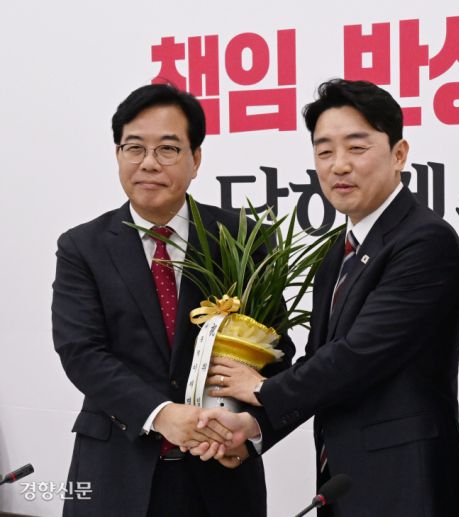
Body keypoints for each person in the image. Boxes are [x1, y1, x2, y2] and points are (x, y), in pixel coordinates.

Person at [190, 78, 459, 517]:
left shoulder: (425, 240)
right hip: (343, 484)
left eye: (356, 148)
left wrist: (261, 388)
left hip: (407, 484)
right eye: (324, 151)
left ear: (399, 154)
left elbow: (357, 356)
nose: (339, 165)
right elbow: (319, 361)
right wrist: (253, 430)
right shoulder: (338, 252)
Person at [51, 84, 292, 517]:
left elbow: (276, 353)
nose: (148, 163)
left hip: (220, 473)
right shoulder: (82, 247)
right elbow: (81, 352)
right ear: (118, 154)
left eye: (167, 149)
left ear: (195, 159)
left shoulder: (243, 239)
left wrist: (250, 433)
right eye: (134, 148)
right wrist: (161, 414)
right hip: (116, 473)